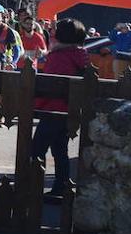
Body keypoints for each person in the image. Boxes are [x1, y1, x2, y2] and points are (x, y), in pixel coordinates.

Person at [31, 18, 91, 195]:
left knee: (36, 150)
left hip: (52, 109)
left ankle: (30, 184)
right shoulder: (82, 55)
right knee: (60, 150)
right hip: (70, 109)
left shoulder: (57, 56)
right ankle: (61, 185)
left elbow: (49, 84)